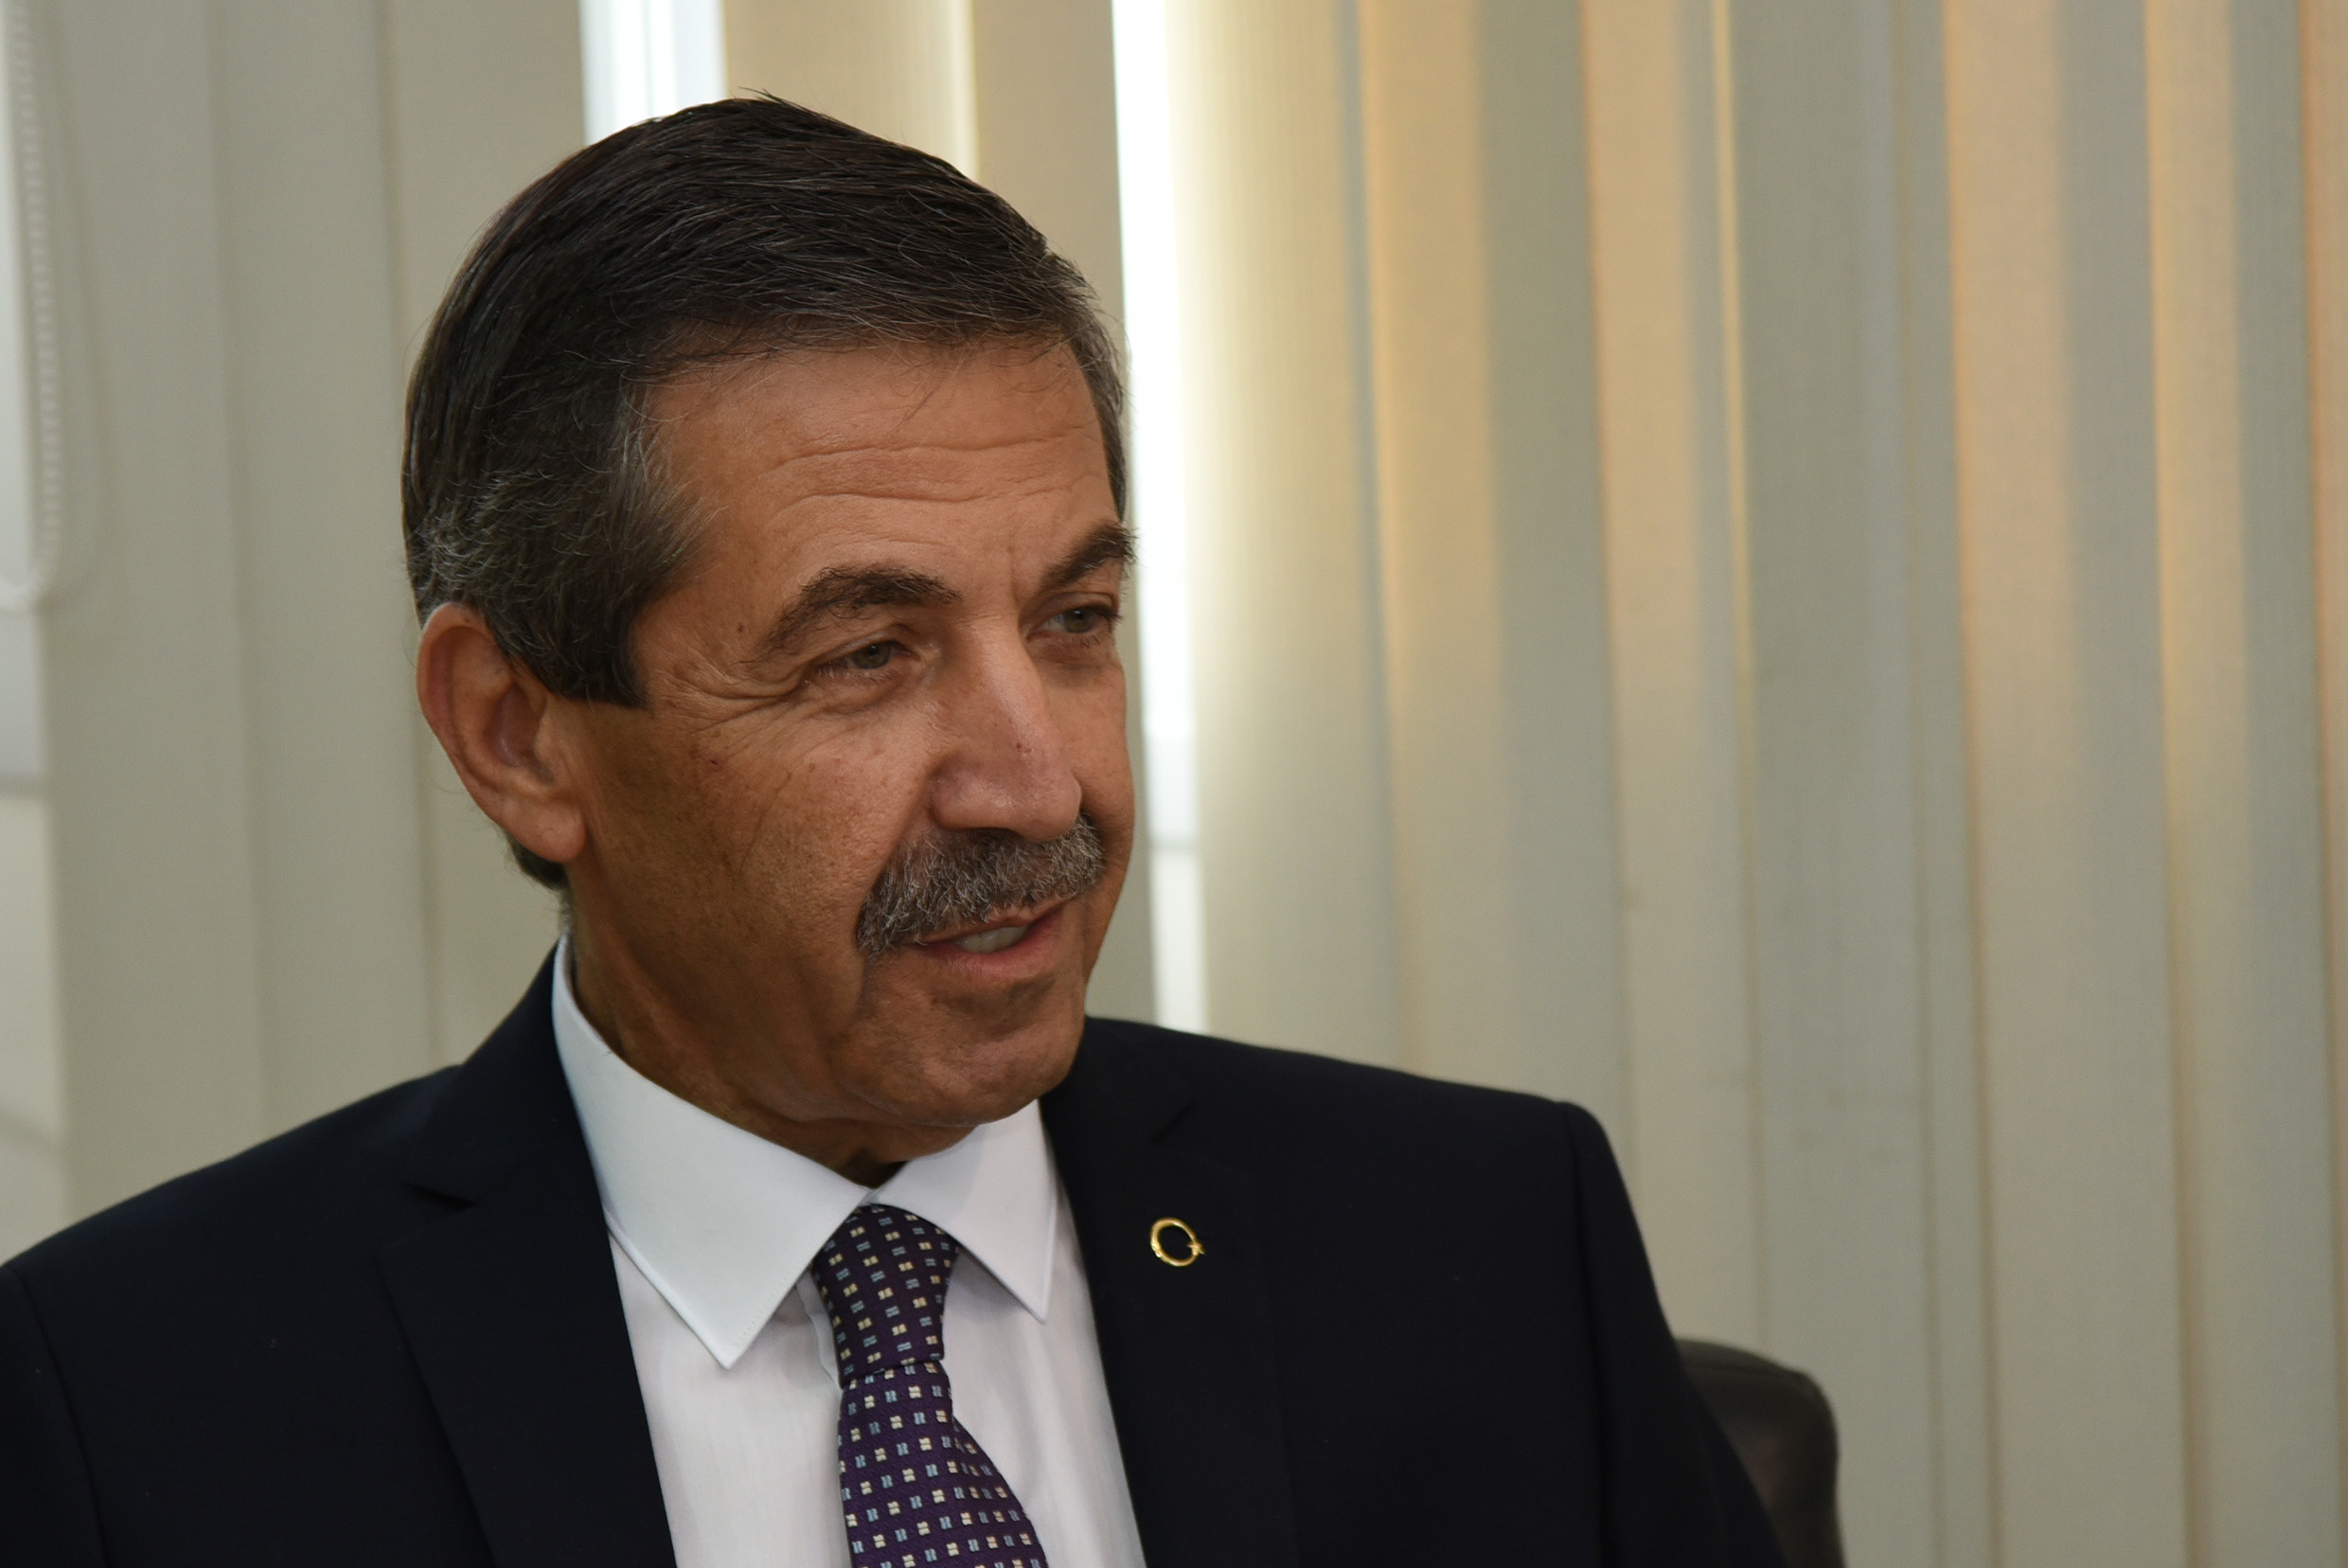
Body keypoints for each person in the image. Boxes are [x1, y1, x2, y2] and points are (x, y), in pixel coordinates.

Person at [0, 98, 1780, 1567]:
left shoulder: (1483, 1254)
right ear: (519, 735)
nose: (1041, 784)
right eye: (869, 655)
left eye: (1075, 622)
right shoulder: (135, 1415)